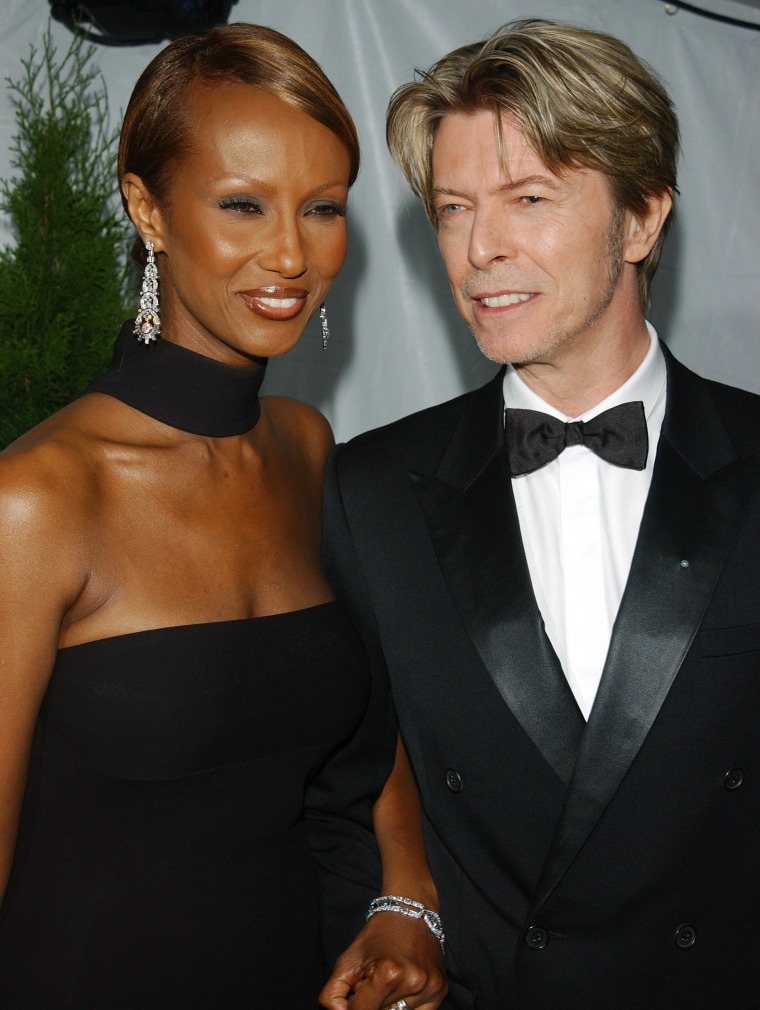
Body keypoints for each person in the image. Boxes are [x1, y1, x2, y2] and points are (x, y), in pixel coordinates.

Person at [0, 24, 445, 1009]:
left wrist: (407, 897)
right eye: (242, 203)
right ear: (146, 208)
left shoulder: (305, 446)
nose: (290, 251)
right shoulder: (35, 499)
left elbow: (368, 731)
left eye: (322, 207)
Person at [321, 18, 760, 1010]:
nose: (481, 249)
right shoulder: (370, 492)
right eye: (452, 209)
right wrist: (399, 919)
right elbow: (345, 794)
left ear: (641, 218)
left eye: (528, 198)